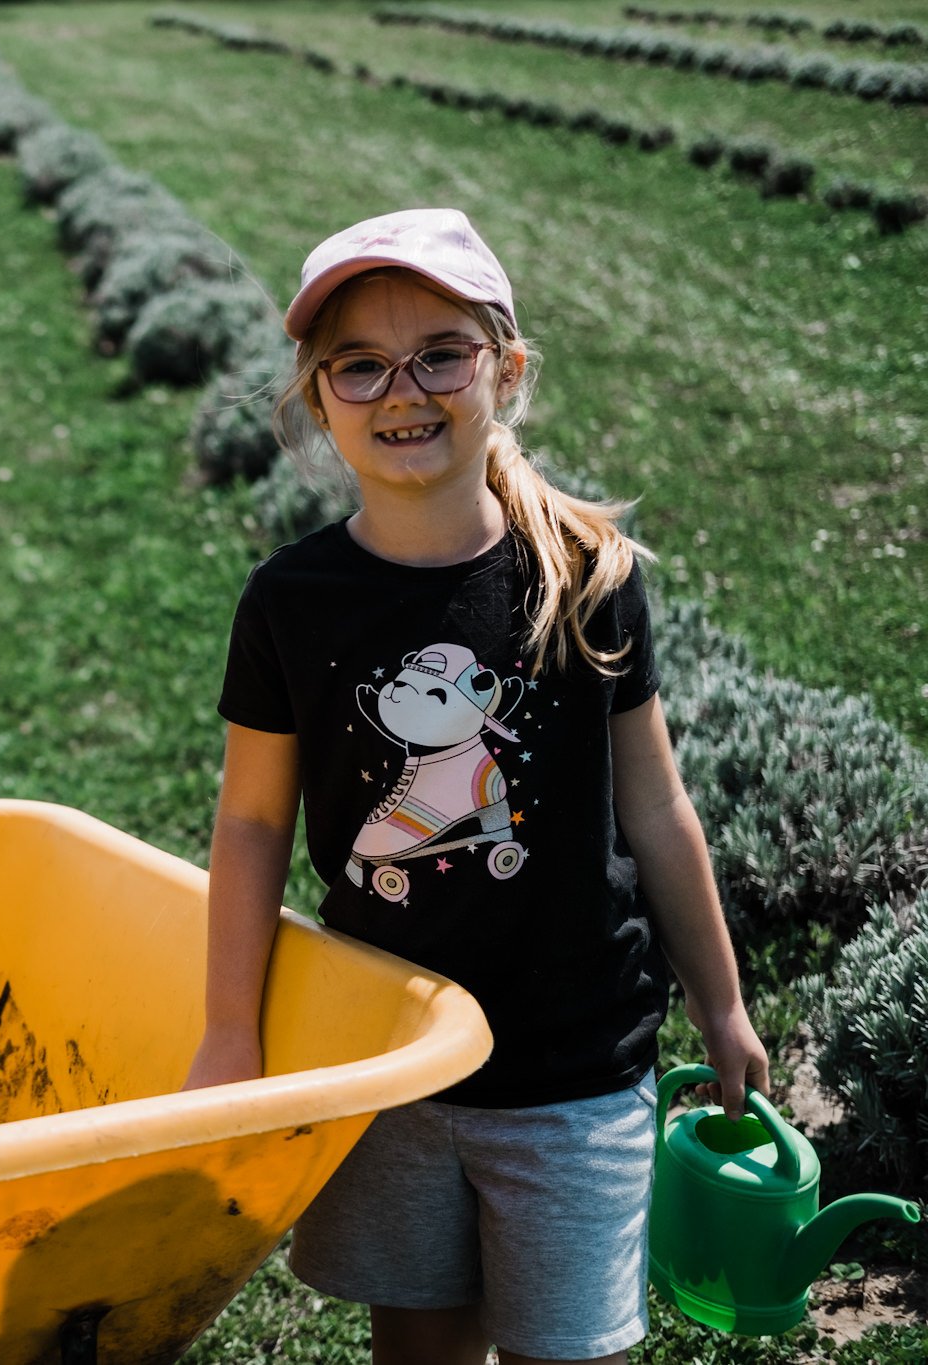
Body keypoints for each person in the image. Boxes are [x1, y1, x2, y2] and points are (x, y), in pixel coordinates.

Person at [182, 207, 767, 1365]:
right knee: (419, 1341)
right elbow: (250, 825)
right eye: (358, 365)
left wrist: (722, 1001)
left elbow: (654, 807)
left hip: (573, 1070)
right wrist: (226, 1032)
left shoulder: (582, 575)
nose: (402, 390)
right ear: (316, 399)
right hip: (390, 1050)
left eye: (439, 354)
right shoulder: (291, 601)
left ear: (501, 369)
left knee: (571, 1348)